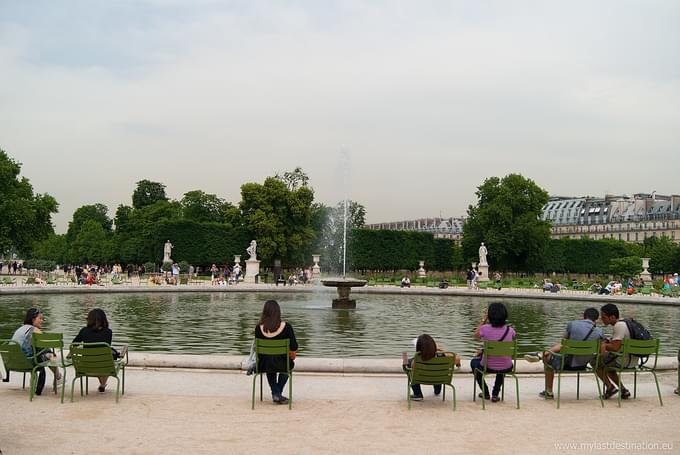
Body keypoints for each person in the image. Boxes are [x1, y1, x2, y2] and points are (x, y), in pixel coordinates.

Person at [530, 308, 604, 399]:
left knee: (549, 357)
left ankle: (548, 391)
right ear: (596, 319)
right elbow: (601, 352)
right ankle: (542, 354)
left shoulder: (573, 324)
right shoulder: (599, 332)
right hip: (583, 365)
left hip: (566, 364)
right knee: (563, 348)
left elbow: (563, 342)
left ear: (584, 316)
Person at [71, 308, 126, 393]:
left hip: (86, 366)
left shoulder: (83, 331)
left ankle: (102, 384)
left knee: (99, 360)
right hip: (103, 366)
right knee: (107, 359)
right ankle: (103, 384)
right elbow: (105, 348)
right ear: (104, 319)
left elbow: (74, 344)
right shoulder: (108, 332)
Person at [470, 302, 516, 402]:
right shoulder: (510, 330)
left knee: (473, 363)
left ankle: (485, 392)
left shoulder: (484, 329)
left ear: (490, 315)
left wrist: (483, 320)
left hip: (487, 366)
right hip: (506, 366)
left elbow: (476, 335)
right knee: (502, 361)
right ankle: (495, 394)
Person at [255, 300, 298, 405]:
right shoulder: (287, 327)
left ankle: (276, 393)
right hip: (283, 363)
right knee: (289, 365)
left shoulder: (258, 328)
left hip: (263, 364)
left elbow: (258, 350)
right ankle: (277, 393)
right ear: (278, 312)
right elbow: (294, 347)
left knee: (270, 364)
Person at [11, 308, 62, 395]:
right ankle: (58, 377)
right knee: (50, 354)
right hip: (28, 362)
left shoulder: (20, 329)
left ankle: (36, 378)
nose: (42, 321)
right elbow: (45, 345)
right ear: (33, 319)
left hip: (15, 362)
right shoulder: (34, 330)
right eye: (40, 318)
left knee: (41, 353)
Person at [405, 334, 461, 401]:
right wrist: (441, 350)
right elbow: (458, 359)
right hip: (438, 378)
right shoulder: (443, 356)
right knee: (436, 369)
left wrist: (405, 357)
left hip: (421, 378)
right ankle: (437, 388)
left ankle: (417, 394)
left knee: (407, 366)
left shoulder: (415, 361)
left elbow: (410, 367)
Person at [596, 303, 634, 400]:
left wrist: (603, 345)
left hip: (624, 361)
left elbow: (615, 348)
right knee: (608, 365)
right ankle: (623, 390)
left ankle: (610, 387)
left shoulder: (619, 326)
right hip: (634, 359)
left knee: (595, 362)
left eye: (604, 317)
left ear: (612, 317)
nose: (602, 319)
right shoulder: (627, 322)